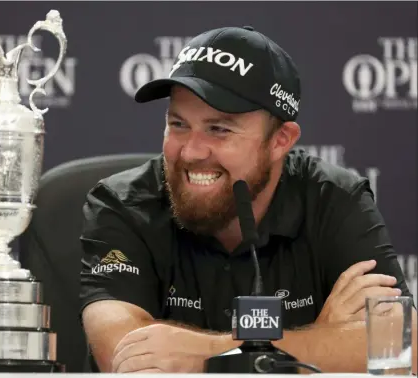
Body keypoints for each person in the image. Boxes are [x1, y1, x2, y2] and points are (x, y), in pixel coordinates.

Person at [79, 26, 417, 374]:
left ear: (280, 141)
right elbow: (126, 356)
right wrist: (321, 338)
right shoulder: (121, 204)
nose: (192, 151)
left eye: (219, 129)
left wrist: (205, 352)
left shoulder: (334, 199)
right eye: (178, 124)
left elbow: (403, 349)